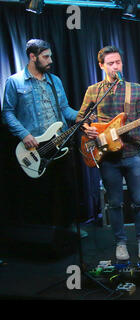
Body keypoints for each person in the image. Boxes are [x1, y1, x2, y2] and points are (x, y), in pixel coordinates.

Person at [78, 46, 140, 260]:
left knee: (139, 200)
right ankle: (120, 242)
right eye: (110, 63)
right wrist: (87, 129)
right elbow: (79, 118)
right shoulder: (94, 91)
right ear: (101, 66)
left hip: (133, 153)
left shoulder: (136, 89)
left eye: (118, 62)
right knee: (114, 202)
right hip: (106, 156)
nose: (115, 66)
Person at [2, 39, 80, 230]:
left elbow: (65, 109)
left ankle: (66, 231)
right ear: (32, 57)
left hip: (59, 144)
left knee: (65, 189)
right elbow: (7, 112)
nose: (50, 60)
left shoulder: (55, 81)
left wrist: (81, 115)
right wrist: (23, 134)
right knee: (40, 194)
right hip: (34, 148)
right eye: (45, 57)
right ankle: (44, 234)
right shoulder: (15, 81)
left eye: (50, 56)